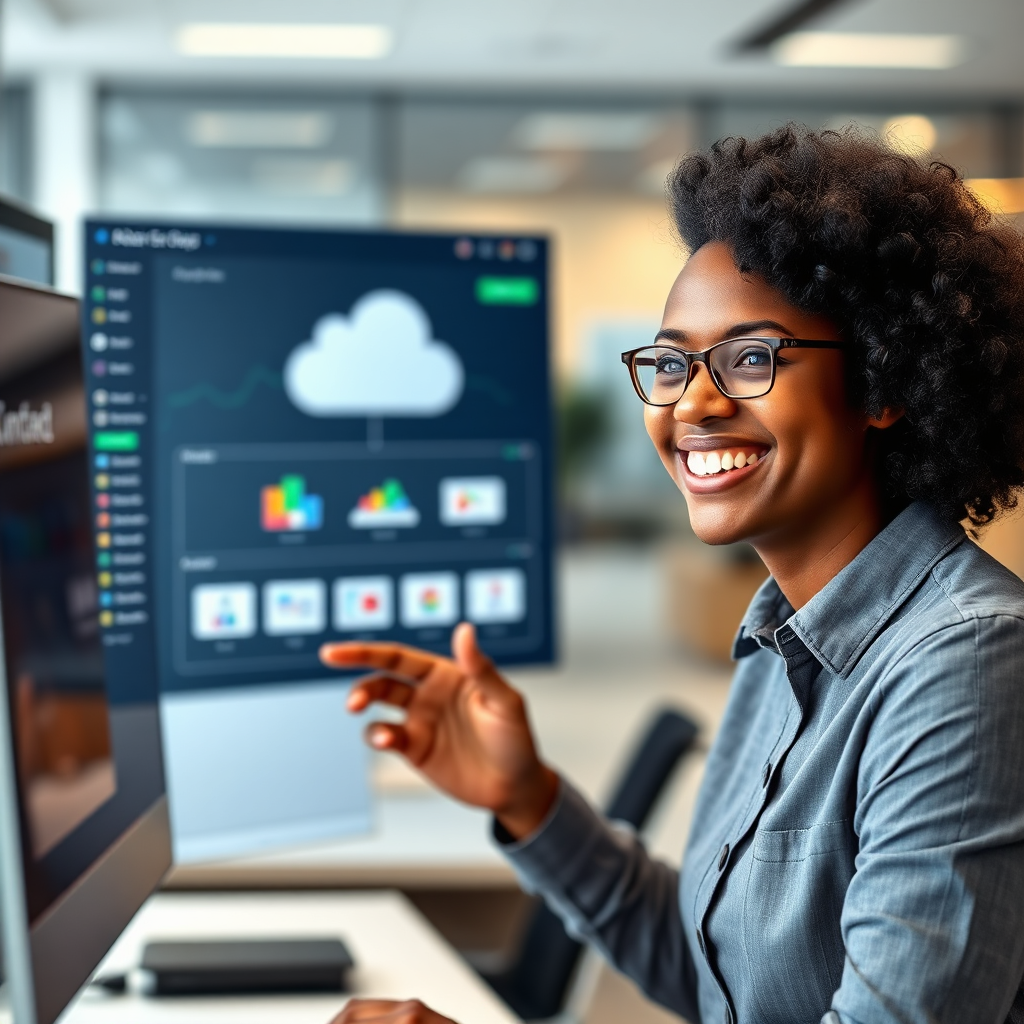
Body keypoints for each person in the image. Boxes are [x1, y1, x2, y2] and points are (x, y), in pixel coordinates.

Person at [322, 125, 1024, 1024]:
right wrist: (527, 798)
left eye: (751, 357)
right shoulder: (783, 638)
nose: (693, 401)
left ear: (884, 384)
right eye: (670, 362)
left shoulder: (966, 663)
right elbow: (714, 973)